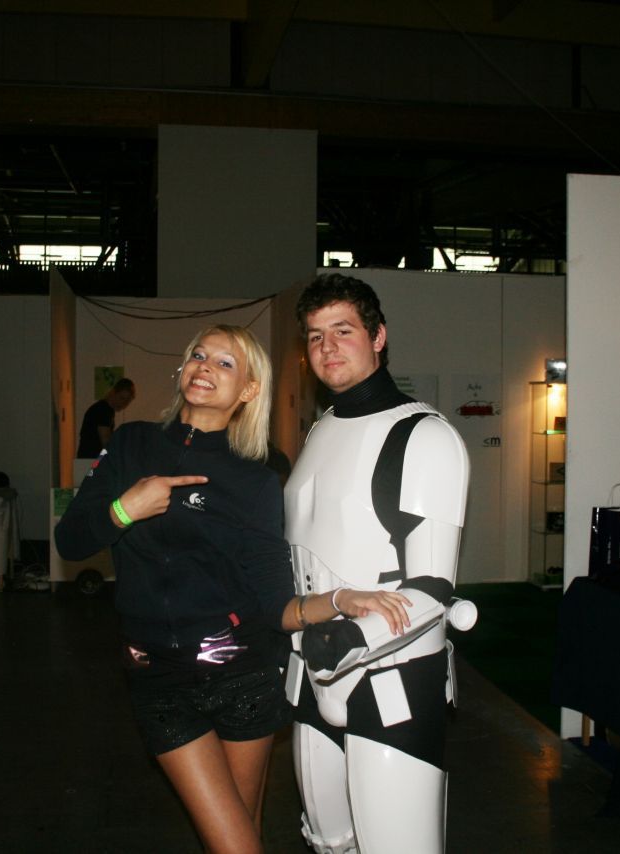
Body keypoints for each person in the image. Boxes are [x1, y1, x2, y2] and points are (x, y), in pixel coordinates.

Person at [54, 324, 407, 854]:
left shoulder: (255, 479)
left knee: (241, 836)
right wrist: (126, 508)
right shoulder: (131, 444)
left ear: (248, 389)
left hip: (242, 679)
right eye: (199, 355)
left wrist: (341, 600)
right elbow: (70, 540)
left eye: (225, 363)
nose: (205, 367)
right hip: (157, 678)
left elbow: (274, 604)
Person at [284, 273, 473, 853]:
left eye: (343, 330)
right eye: (315, 335)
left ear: (378, 336)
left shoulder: (425, 437)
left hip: (393, 671)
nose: (327, 347)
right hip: (310, 667)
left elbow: (433, 588)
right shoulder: (321, 429)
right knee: (328, 840)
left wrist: (352, 637)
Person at [76, 377, 136, 458]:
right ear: (114, 393)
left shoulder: (104, 408)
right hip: (90, 459)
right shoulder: (104, 410)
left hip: (89, 458)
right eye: (122, 398)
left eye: (127, 401)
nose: (124, 403)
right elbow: (106, 441)